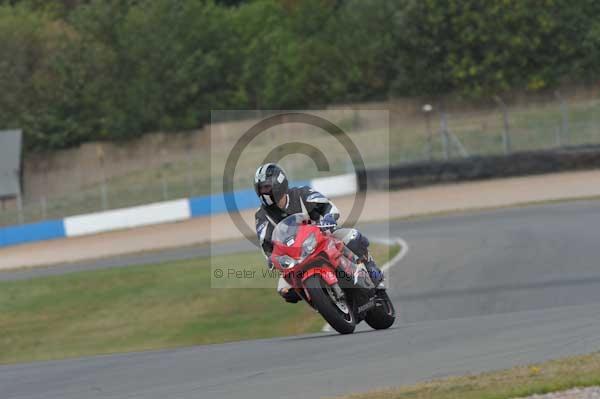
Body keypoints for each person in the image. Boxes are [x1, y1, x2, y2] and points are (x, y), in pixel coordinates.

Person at [253, 163, 384, 303]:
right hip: (295, 255)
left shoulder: (301, 193)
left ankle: (371, 268)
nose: (263, 192)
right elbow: (265, 244)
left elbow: (328, 206)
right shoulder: (261, 216)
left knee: (352, 237)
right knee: (285, 290)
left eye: (266, 187)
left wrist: (329, 218)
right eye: (261, 188)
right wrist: (272, 260)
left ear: (279, 183)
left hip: (323, 236)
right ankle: (323, 301)